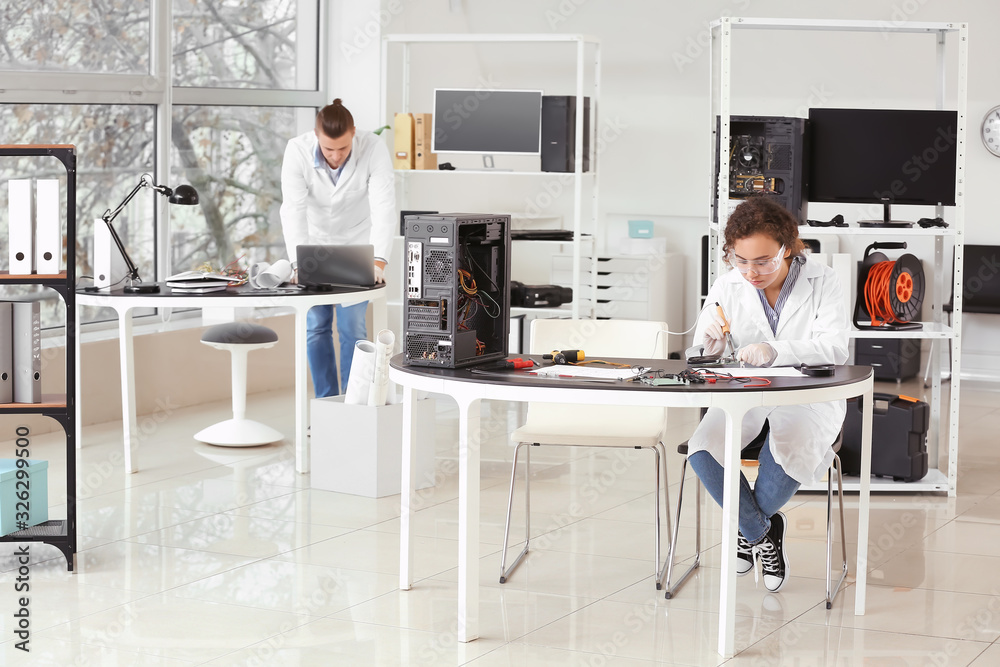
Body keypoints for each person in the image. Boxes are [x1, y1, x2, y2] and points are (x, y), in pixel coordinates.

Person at [688, 196, 849, 592]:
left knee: (789, 452)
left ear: (788, 247)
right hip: (746, 392)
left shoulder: (825, 281)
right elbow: (703, 352)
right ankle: (763, 531)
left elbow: (834, 348)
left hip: (807, 395)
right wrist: (709, 345)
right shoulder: (728, 284)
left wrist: (778, 350)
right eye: (740, 260)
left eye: (762, 261)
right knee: (702, 449)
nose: (751, 271)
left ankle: (748, 531)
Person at [279, 99, 395, 397]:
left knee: (352, 330)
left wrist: (379, 261)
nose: (336, 156)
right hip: (312, 248)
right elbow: (293, 210)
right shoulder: (297, 150)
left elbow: (384, 207)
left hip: (356, 248)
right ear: (316, 135)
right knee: (316, 327)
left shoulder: (373, 147)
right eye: (329, 149)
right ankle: (325, 402)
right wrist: (297, 264)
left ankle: (352, 404)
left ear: (353, 133)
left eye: (343, 149)